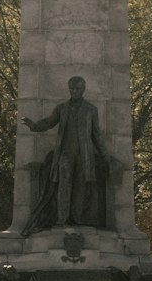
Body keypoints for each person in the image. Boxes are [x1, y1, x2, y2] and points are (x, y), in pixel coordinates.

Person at [21, 76, 113, 229]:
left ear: (83, 90)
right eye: (72, 88)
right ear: (69, 89)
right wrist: (34, 126)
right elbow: (49, 122)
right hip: (65, 154)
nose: (75, 91)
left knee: (80, 187)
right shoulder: (61, 109)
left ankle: (77, 218)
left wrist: (104, 154)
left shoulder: (91, 110)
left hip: (84, 156)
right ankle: (62, 219)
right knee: (64, 186)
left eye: (77, 88)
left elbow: (96, 135)